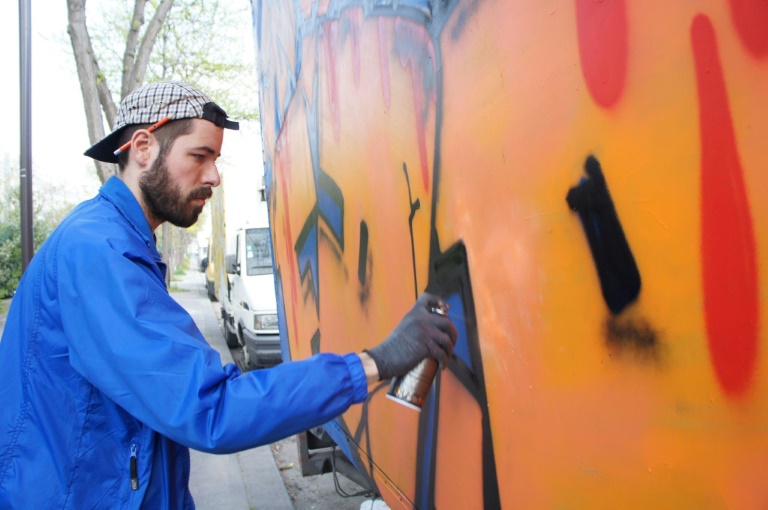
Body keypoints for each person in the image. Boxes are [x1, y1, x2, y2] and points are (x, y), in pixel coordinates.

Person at [0, 81, 457, 508]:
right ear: (142, 147)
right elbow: (210, 409)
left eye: (215, 159)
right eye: (200, 155)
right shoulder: (97, 251)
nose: (214, 176)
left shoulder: (118, 241)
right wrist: (375, 361)